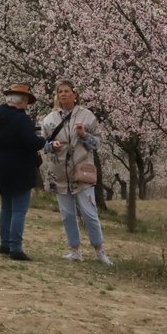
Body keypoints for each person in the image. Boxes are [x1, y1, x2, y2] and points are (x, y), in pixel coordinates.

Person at [41, 80, 113, 265]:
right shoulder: (49, 119)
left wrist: (84, 135)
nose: (63, 95)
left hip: (82, 173)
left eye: (66, 91)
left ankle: (99, 250)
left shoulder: (87, 116)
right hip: (60, 174)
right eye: (60, 92)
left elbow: (96, 144)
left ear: (74, 93)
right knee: (67, 214)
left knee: (89, 213)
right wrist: (51, 146)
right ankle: (74, 250)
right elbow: (43, 145)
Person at [0, 83, 46, 261]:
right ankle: (16, 247)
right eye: (27, 101)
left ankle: (5, 243)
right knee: (19, 210)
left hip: (0, 165)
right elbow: (31, 142)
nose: (27, 105)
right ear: (22, 101)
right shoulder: (22, 119)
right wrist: (43, 140)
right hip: (20, 167)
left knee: (6, 208)